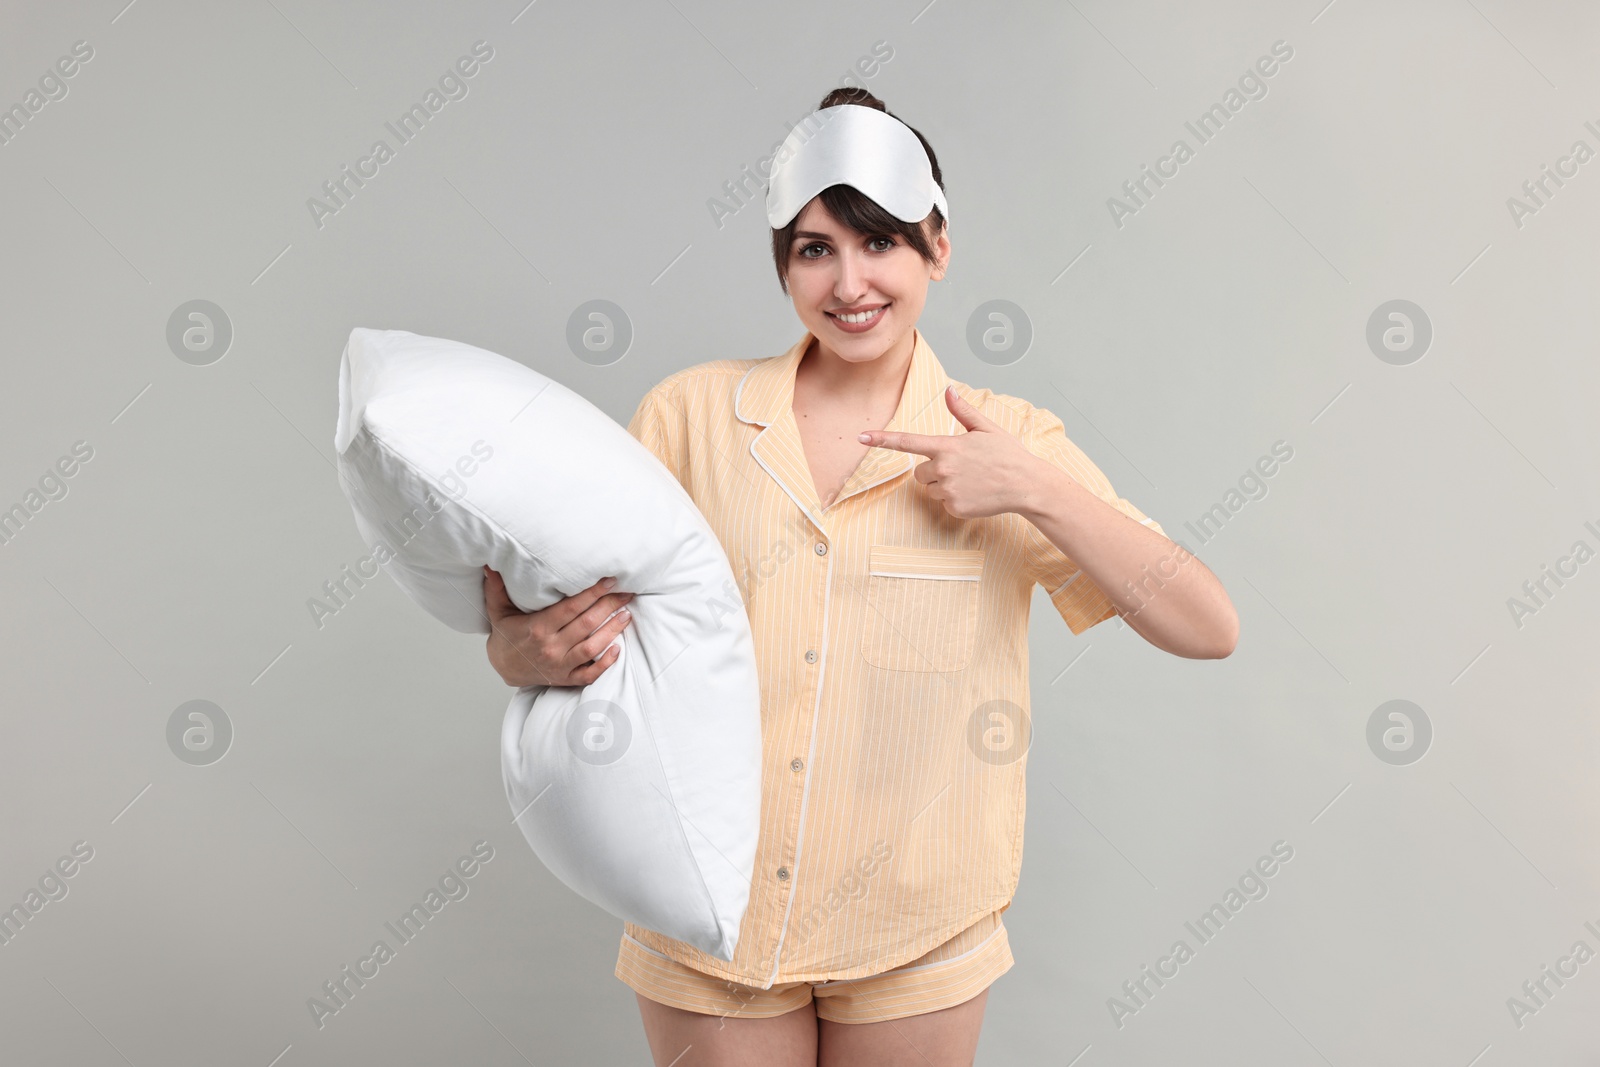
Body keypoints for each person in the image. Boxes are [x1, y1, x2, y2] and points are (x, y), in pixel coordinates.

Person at [483, 86, 1238, 1067]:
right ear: (782, 264)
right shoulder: (688, 416)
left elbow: (1205, 621)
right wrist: (515, 650)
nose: (849, 283)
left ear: (938, 247)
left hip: (917, 924)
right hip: (710, 908)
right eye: (814, 249)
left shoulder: (1011, 440)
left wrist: (1036, 489)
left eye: (880, 242)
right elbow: (558, 628)